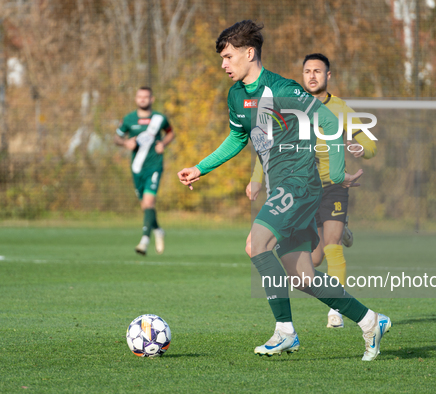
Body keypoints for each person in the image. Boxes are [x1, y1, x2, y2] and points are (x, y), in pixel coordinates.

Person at [177, 20, 390, 361]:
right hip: (282, 186)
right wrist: (201, 167)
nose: (223, 65)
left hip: (300, 184)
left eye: (229, 57)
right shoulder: (236, 96)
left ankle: (285, 332)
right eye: (222, 58)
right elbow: (237, 138)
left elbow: (330, 122)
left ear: (250, 53)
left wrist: (335, 172)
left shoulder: (285, 90)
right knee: (304, 277)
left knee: (255, 244)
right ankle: (370, 321)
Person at [245, 53, 377, 329]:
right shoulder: (291, 105)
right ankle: (343, 230)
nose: (312, 76)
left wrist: (361, 147)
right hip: (300, 191)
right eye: (307, 71)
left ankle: (337, 313)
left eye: (318, 71)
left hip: (332, 188)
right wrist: (257, 178)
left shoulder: (340, 109)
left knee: (332, 246)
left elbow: (370, 143)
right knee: (310, 266)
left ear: (328, 76)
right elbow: (271, 148)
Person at [115, 87, 175, 255]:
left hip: (154, 166)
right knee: (145, 206)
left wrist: (163, 144)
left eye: (146, 97)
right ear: (136, 99)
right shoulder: (128, 119)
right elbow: (117, 137)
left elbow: (170, 133)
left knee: (149, 203)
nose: (142, 99)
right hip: (137, 167)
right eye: (139, 96)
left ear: (151, 99)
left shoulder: (159, 119)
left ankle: (144, 241)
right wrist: (125, 143)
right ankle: (158, 230)